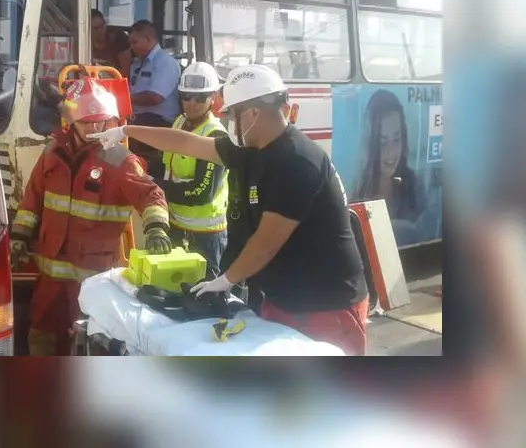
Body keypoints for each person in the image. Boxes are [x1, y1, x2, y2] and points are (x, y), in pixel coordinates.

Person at [89, 65, 370, 355]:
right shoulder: (250, 149)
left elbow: (266, 243)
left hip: (325, 306)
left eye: (230, 114)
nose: (227, 121)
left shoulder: (297, 163)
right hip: (282, 296)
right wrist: (126, 131)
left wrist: (225, 281)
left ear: (252, 114)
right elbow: (186, 143)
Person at [9, 76, 172, 356]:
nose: (95, 127)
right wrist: (19, 236)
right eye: (87, 122)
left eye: (100, 121)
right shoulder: (52, 153)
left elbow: (151, 194)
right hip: (50, 273)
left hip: (92, 280)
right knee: (41, 334)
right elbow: (32, 199)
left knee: (86, 340)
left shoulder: (118, 159)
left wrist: (156, 227)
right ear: (71, 121)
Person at [155, 62, 229, 277]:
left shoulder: (215, 135)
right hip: (177, 226)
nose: (192, 103)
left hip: (206, 236)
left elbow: (201, 192)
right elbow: (165, 162)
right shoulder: (180, 122)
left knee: (206, 297)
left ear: (213, 98)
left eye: (200, 97)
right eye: (187, 96)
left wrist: (157, 187)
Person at [352, 89, 428, 245]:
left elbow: (425, 238)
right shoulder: (357, 190)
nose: (391, 152)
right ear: (371, 144)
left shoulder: (416, 186)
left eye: (396, 139)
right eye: (383, 143)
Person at [126, 20, 181, 178]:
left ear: (149, 39)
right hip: (138, 118)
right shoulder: (136, 64)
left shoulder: (166, 63)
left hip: (160, 121)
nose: (132, 47)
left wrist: (125, 98)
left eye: (135, 42)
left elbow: (155, 97)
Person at [91, 9, 131, 75]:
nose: (100, 31)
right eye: (95, 29)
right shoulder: (84, 42)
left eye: (102, 26)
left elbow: (126, 72)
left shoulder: (118, 38)